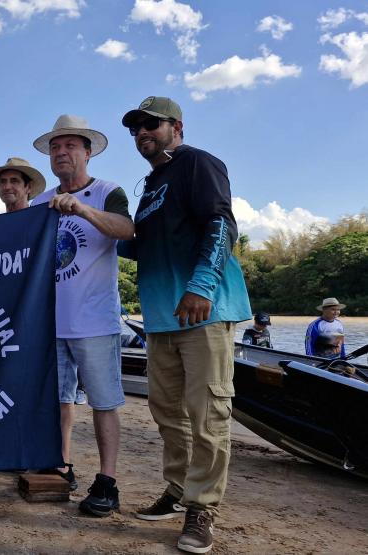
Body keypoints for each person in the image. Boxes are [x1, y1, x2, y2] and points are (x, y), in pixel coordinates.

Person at [119, 96, 251, 554]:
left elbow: (221, 222)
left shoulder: (198, 163)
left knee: (208, 413)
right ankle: (177, 492)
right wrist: (90, 230)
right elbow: (142, 248)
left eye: (150, 125)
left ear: (176, 126)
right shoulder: (152, 185)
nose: (142, 134)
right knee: (167, 412)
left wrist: (201, 285)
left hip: (204, 310)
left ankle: (203, 507)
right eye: (135, 129)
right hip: (159, 318)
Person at [31, 115, 134, 517]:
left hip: (95, 321)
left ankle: (107, 480)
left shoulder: (108, 191)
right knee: (57, 400)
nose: (61, 153)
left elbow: (126, 229)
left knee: (104, 403)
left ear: (87, 152)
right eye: (55, 147)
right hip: (50, 323)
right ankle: (60, 465)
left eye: (70, 146)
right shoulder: (39, 204)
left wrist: (82, 211)